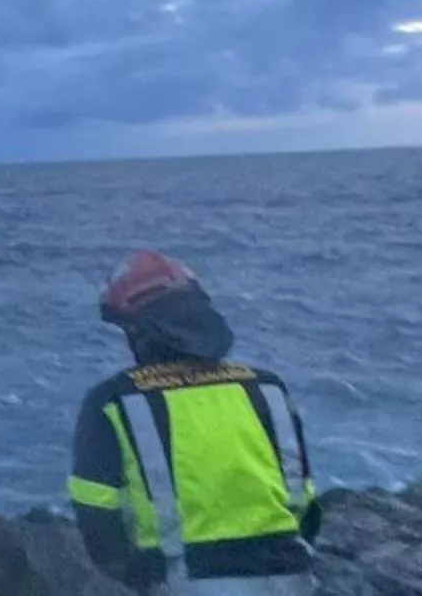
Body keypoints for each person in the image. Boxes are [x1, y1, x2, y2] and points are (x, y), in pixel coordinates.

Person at [66, 250, 322, 594]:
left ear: (139, 332)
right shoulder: (268, 388)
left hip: (182, 583)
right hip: (290, 580)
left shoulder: (114, 401)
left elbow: (97, 517)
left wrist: (134, 574)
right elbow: (305, 503)